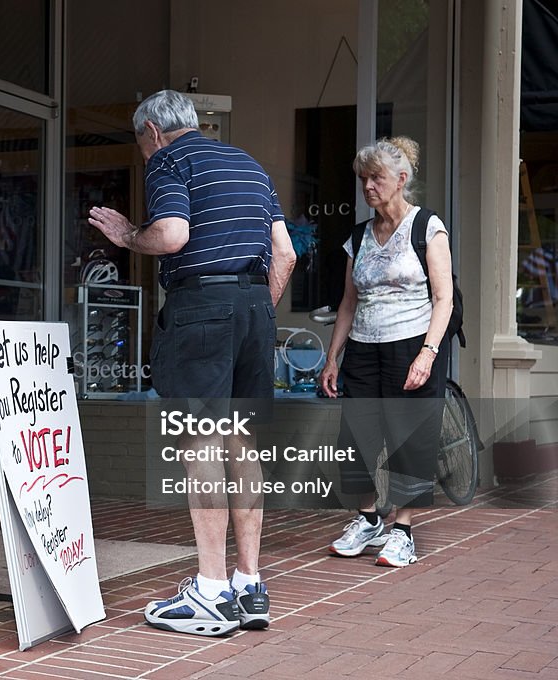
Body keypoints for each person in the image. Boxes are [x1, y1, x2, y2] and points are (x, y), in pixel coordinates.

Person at [88, 89, 296, 636]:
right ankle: (249, 585)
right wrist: (250, 314)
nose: (142, 153)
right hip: (254, 308)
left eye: (139, 143)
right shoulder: (248, 164)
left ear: (152, 132)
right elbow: (287, 253)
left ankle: (209, 590)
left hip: (202, 306)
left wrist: (130, 235)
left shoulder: (168, 159)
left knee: (200, 437)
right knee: (241, 440)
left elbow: (173, 235)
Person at [318, 136, 453, 568]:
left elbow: (443, 298)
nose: (368, 186)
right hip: (363, 349)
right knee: (352, 440)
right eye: (363, 179)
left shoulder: (426, 227)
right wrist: (333, 356)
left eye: (376, 178)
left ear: (401, 179)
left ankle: (403, 530)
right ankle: (369, 518)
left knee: (408, 441)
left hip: (412, 344)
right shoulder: (357, 238)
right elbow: (348, 303)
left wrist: (427, 354)